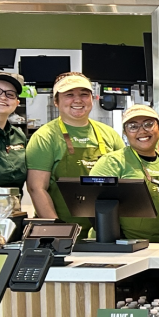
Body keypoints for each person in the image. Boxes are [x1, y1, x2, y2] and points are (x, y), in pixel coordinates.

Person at [25, 73, 124, 227]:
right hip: (64, 228)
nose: (77, 100)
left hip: (106, 229)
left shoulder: (109, 134)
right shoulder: (45, 137)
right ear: (56, 101)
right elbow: (36, 188)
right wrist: (57, 230)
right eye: (69, 95)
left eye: (84, 94)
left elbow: (125, 183)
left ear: (92, 98)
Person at [88, 104, 159, 243]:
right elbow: (95, 208)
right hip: (122, 250)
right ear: (125, 132)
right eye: (133, 126)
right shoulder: (112, 162)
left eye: (148, 124)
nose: (142, 131)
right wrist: (121, 245)